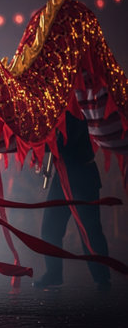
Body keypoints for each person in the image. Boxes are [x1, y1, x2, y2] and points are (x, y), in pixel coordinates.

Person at [34, 112, 111, 288]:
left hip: (82, 178)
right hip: (62, 178)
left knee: (90, 230)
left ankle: (102, 277)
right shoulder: (58, 112)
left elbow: (63, 143)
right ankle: (54, 274)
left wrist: (38, 142)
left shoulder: (77, 114)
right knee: (50, 228)